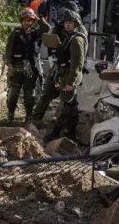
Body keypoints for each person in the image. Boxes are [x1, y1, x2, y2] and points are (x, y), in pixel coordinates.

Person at [33, 9, 87, 139]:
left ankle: (56, 132)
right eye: (66, 22)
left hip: (70, 75)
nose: (67, 25)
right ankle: (71, 133)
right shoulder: (69, 36)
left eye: (70, 23)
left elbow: (77, 64)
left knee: (65, 106)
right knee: (71, 105)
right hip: (64, 73)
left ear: (75, 24)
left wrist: (70, 81)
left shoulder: (76, 39)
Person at [4, 8, 43, 122]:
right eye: (25, 20)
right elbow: (8, 51)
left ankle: (29, 115)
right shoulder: (15, 34)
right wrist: (9, 65)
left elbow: (47, 28)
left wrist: (37, 19)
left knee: (29, 93)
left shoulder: (35, 33)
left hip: (31, 67)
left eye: (30, 20)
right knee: (14, 92)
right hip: (17, 66)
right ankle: (11, 113)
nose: (28, 23)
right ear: (21, 21)